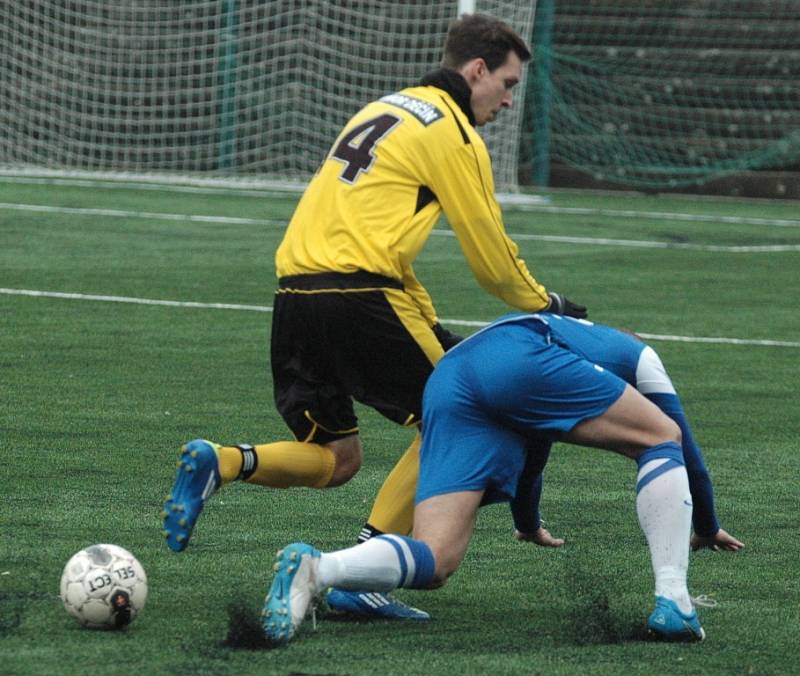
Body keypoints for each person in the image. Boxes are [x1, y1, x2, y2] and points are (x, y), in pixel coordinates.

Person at [161, 14, 586, 617]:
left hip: (295, 296)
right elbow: (490, 256)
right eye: (508, 84)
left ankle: (224, 460)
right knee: (463, 417)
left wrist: (426, 319)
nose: (509, 99)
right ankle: (365, 574)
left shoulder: (382, 109)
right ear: (477, 70)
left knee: (337, 459)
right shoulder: (453, 132)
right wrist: (547, 303)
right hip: (358, 296)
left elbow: (372, 232)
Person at [261, 313, 743, 644]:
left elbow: (536, 447)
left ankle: (318, 569)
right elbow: (685, 448)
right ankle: (674, 599)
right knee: (660, 436)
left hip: (451, 378)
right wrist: (706, 524)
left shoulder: (566, 349)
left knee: (437, 559)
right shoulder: (636, 354)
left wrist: (528, 523)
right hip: (516, 356)